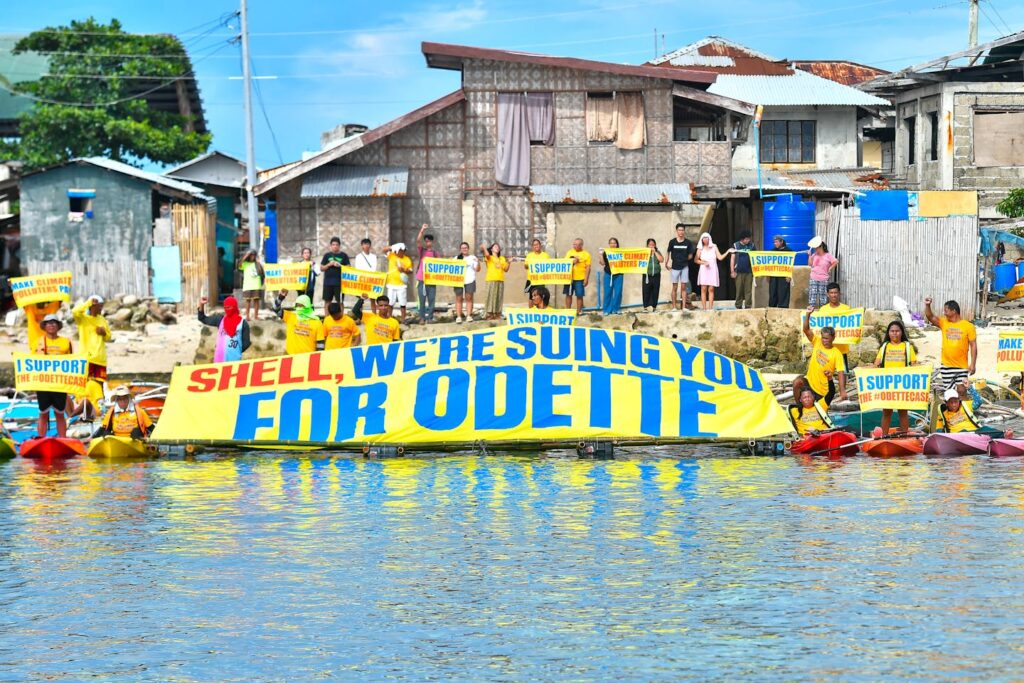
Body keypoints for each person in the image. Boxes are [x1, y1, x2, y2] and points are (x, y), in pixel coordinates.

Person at [872, 319, 918, 434]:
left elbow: (914, 365)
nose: (894, 333)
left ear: (902, 332)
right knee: (887, 412)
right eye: (892, 331)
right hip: (887, 385)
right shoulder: (884, 347)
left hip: (903, 385)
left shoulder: (907, 347)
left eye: (897, 331)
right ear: (888, 333)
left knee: (903, 412)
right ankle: (884, 436)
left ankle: (904, 435)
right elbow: (876, 364)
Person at [795, 306, 847, 406]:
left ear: (833, 338)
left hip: (823, 390)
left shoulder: (837, 353)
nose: (824, 341)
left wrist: (842, 390)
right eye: (823, 338)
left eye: (827, 339)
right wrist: (808, 314)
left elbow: (841, 373)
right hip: (809, 382)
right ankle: (799, 408)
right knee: (797, 382)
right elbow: (806, 330)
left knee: (818, 408)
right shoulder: (817, 342)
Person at [924, 297, 977, 392]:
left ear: (954, 311)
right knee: (950, 394)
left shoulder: (968, 326)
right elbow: (930, 317)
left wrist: (973, 364)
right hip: (946, 366)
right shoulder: (944, 323)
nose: (944, 313)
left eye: (946, 310)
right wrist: (928, 305)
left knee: (962, 391)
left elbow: (973, 345)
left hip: (961, 366)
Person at [71, 295, 110, 416]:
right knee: (85, 384)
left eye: (102, 306)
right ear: (93, 306)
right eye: (99, 306)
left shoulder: (102, 319)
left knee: (100, 385)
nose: (101, 308)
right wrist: (88, 303)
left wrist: (104, 333)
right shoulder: (83, 319)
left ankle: (101, 412)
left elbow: (109, 337)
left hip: (100, 359)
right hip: (87, 359)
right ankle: (83, 409)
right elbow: (75, 311)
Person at [35, 314, 71, 438]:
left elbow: (73, 361)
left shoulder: (66, 342)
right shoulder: (38, 342)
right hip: (43, 382)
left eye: (54, 322)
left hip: (60, 382)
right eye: (48, 323)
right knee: (43, 413)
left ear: (58, 325)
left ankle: (63, 440)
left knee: (60, 413)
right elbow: (32, 362)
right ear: (44, 326)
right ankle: (41, 440)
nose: (51, 325)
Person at [199, 295, 250, 363]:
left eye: (229, 307)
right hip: (219, 359)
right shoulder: (220, 320)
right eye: (225, 307)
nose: (227, 309)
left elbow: (246, 343)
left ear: (234, 307)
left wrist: (236, 349)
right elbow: (202, 318)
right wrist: (201, 304)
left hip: (235, 360)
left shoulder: (243, 323)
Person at [694, 232, 734, 311]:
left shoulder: (714, 247)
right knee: (703, 288)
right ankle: (704, 308)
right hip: (704, 269)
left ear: (709, 239)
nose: (705, 239)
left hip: (712, 269)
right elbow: (696, 260)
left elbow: (720, 257)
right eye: (704, 238)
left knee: (711, 289)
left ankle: (710, 308)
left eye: (707, 238)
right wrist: (704, 262)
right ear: (702, 240)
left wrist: (728, 251)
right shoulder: (700, 248)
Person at [320, 236, 350, 317]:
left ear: (339, 246)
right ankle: (327, 318)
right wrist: (329, 264)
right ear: (330, 246)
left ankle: (341, 318)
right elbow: (321, 268)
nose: (335, 246)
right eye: (333, 245)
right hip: (328, 283)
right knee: (327, 301)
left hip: (340, 283)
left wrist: (340, 265)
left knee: (340, 301)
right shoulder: (326, 255)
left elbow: (349, 267)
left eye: (337, 245)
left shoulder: (344, 255)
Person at [667, 224, 695, 310]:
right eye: (679, 230)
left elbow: (691, 255)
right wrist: (666, 263)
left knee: (683, 287)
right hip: (674, 267)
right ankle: (674, 307)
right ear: (677, 231)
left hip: (684, 267)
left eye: (682, 230)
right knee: (674, 287)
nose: (681, 232)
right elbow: (668, 252)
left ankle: (684, 307)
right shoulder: (672, 242)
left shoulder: (688, 242)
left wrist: (684, 259)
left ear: (684, 231)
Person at [382, 243, 413, 321]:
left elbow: (410, 271)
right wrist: (393, 247)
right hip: (391, 284)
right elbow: (384, 250)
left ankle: (403, 319)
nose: (399, 252)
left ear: (404, 251)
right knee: (390, 303)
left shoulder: (407, 259)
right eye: (398, 250)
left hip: (401, 285)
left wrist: (404, 270)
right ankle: (389, 318)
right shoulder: (392, 255)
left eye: (402, 251)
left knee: (403, 303)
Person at [481, 242, 510, 320]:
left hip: (500, 280)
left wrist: (509, 262)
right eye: (495, 246)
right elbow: (487, 255)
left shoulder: (502, 258)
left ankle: (497, 314)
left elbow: (506, 269)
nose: (497, 247)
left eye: (498, 246)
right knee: (490, 297)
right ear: (491, 249)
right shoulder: (489, 257)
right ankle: (489, 314)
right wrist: (484, 248)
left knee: (498, 298)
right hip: (491, 280)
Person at [415, 224, 437, 324]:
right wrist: (422, 230)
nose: (428, 242)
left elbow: (441, 265)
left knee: (431, 299)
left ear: (432, 242)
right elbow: (418, 240)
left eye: (429, 241)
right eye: (426, 241)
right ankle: (422, 318)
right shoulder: (422, 251)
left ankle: (430, 317)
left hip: (432, 280)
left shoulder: (435, 254)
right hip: (421, 279)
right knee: (422, 300)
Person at [807, 237, 838, 308]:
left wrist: (830, 268)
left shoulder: (828, 255)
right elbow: (810, 264)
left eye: (816, 248)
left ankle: (823, 310)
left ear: (820, 247)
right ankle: (811, 310)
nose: (816, 249)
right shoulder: (814, 255)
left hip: (823, 278)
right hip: (814, 277)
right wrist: (809, 255)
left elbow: (835, 261)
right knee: (812, 296)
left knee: (823, 297)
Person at [564, 238, 591, 315]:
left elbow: (588, 267)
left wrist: (586, 279)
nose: (575, 246)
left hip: (580, 278)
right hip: (569, 278)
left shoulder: (586, 254)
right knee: (568, 294)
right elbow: (565, 262)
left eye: (577, 244)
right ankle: (568, 312)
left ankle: (579, 312)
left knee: (579, 295)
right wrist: (572, 261)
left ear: (581, 245)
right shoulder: (569, 252)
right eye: (574, 244)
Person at [454, 241, 480, 323]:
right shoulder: (456, 258)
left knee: (469, 298)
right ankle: (458, 317)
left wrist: (478, 262)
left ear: (468, 249)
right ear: (460, 249)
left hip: (470, 280)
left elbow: (477, 269)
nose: (464, 249)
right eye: (462, 248)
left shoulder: (473, 258)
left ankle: (469, 315)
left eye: (465, 248)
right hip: (458, 281)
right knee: (459, 298)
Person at [598, 237, 624, 315]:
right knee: (607, 292)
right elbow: (603, 263)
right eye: (611, 243)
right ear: (609, 244)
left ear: (617, 244)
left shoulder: (621, 252)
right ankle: (607, 310)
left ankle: (616, 309)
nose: (613, 244)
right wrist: (600, 254)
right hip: (608, 274)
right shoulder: (606, 252)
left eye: (614, 243)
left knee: (618, 292)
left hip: (619, 274)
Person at [730, 230, 755, 310]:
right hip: (738, 271)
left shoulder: (752, 246)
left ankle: (748, 306)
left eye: (749, 239)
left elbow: (755, 258)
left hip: (749, 272)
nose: (748, 240)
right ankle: (738, 306)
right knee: (739, 290)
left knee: (748, 291)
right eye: (746, 239)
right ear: (742, 239)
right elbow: (732, 258)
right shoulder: (735, 245)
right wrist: (732, 271)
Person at [238, 249, 265, 321]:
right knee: (247, 301)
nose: (252, 257)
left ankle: (256, 316)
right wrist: (246, 255)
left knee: (256, 300)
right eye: (251, 255)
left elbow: (262, 274)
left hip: (256, 285)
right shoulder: (245, 264)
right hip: (247, 285)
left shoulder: (258, 264)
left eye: (253, 255)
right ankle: (247, 316)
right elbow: (239, 265)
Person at [354, 238, 378, 313]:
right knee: (361, 299)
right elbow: (357, 268)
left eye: (368, 244)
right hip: (362, 280)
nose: (366, 246)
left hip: (371, 280)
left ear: (370, 245)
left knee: (373, 299)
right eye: (364, 244)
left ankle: (374, 315)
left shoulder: (373, 256)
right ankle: (359, 316)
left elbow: (374, 268)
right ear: (362, 246)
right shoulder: (358, 256)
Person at [524, 238, 550, 306]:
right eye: (534, 245)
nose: (536, 246)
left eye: (537, 244)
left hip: (541, 279)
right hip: (531, 279)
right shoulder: (529, 255)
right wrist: (530, 264)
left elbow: (549, 267)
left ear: (540, 245)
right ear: (532, 247)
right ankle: (531, 311)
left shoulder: (545, 255)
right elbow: (525, 266)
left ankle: (540, 310)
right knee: (531, 297)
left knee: (540, 296)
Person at [768, 235, 791, 308]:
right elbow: (769, 264)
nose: (775, 243)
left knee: (783, 293)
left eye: (777, 242)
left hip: (784, 276)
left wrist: (789, 275)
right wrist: (768, 275)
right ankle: (772, 309)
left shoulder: (788, 251)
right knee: (773, 293)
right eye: (774, 242)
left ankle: (783, 309)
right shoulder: (772, 251)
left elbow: (790, 264)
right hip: (774, 276)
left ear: (782, 242)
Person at [643, 238, 664, 312]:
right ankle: (645, 307)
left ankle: (654, 307)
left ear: (655, 245)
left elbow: (661, 260)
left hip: (656, 275)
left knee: (655, 290)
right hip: (647, 275)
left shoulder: (657, 252)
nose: (651, 246)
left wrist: (655, 252)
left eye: (653, 244)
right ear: (647, 245)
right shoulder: (644, 252)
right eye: (650, 244)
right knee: (646, 290)